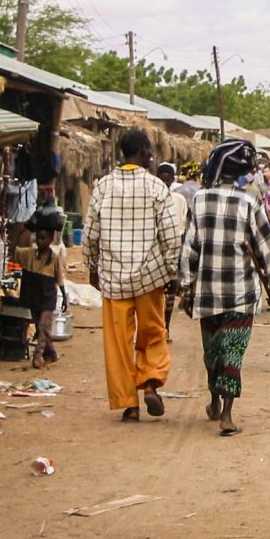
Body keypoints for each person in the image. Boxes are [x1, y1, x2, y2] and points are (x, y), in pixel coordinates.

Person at [180, 140, 270, 436]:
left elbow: (188, 250)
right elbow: (267, 249)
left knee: (212, 352)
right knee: (232, 352)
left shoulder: (199, 200)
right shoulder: (249, 202)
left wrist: (186, 288)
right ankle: (225, 414)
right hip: (240, 292)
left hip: (208, 292)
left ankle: (214, 401)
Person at [83, 130, 180, 422]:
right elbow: (171, 235)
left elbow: (90, 233)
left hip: (113, 278)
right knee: (153, 333)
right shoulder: (156, 188)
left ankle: (129, 403)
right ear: (144, 151)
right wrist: (172, 269)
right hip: (150, 277)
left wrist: (92, 266)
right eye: (150, 149)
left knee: (118, 343)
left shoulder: (102, 187)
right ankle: (150, 382)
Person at [15, 227, 67, 368]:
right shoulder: (29, 255)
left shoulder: (54, 259)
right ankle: (51, 354)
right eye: (37, 238)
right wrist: (22, 230)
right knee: (41, 327)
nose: (39, 241)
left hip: (48, 297)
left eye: (43, 238)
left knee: (44, 325)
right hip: (34, 296)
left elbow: (60, 279)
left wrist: (65, 299)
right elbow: (15, 250)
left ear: (51, 240)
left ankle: (38, 355)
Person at [157, 162, 189, 342]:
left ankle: (166, 327)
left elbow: (183, 227)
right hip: (155, 251)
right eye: (162, 178)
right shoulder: (151, 198)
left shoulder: (179, 200)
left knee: (171, 291)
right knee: (154, 293)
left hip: (175, 250)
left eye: (168, 178)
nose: (165, 181)